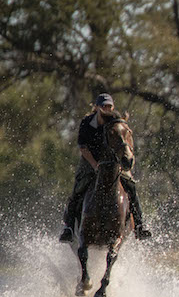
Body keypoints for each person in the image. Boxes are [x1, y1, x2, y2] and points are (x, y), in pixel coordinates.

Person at [59, 93, 152, 242]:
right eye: (104, 106)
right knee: (78, 188)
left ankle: (140, 225)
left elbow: (125, 142)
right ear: (97, 108)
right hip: (90, 161)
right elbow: (83, 148)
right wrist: (95, 165)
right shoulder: (87, 122)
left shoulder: (117, 123)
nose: (107, 108)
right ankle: (68, 228)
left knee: (131, 186)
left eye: (109, 106)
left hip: (113, 163)